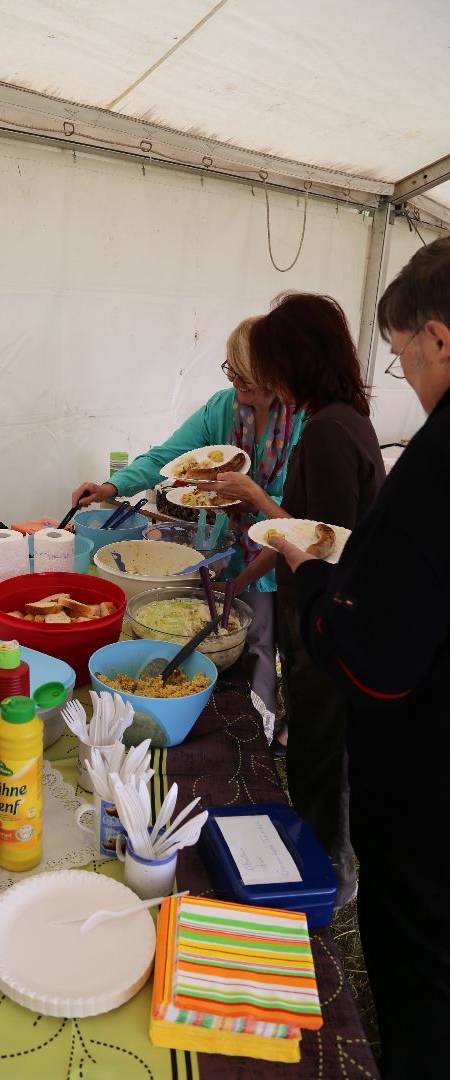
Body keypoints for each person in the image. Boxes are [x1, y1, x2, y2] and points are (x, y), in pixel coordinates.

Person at [268, 239, 450, 1079]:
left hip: (422, 812)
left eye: (404, 350)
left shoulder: (430, 460)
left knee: (420, 999)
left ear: (438, 339)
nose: (403, 370)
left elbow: (377, 657)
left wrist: (309, 580)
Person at [207, 293, 385, 907]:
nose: (267, 377)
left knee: (319, 761)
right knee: (314, 753)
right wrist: (235, 584)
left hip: (328, 632)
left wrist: (256, 498)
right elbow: (295, 536)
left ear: (297, 359)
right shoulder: (339, 419)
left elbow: (324, 546)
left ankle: (328, 884)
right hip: (317, 627)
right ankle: (322, 870)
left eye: (274, 361)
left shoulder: (329, 431)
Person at [71, 317, 304, 741]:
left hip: (280, 555)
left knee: (264, 644)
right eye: (230, 369)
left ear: (274, 371)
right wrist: (110, 485)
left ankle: (265, 733)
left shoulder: (304, 419)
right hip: (222, 548)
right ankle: (215, 725)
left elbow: (306, 513)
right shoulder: (222, 408)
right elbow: (168, 456)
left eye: (244, 373)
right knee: (216, 635)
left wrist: (254, 495)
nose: (235, 381)